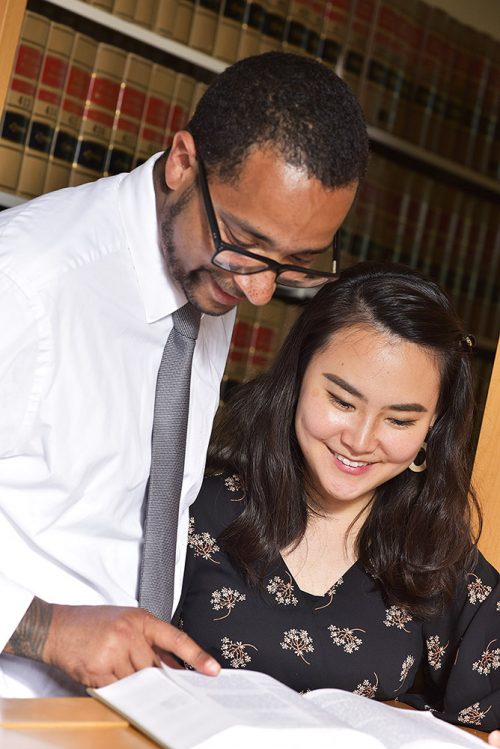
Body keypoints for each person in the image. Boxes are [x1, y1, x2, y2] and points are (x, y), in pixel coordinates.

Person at [0, 51, 369, 697]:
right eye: (245, 243)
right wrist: (47, 628)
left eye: (294, 263)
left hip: (113, 716)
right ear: (181, 162)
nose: (258, 290)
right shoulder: (25, 281)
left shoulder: (209, 271)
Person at [176, 261, 500, 736]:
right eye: (343, 402)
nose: (361, 440)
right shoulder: (191, 508)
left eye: (400, 421)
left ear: (433, 428)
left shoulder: (435, 556)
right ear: (299, 375)